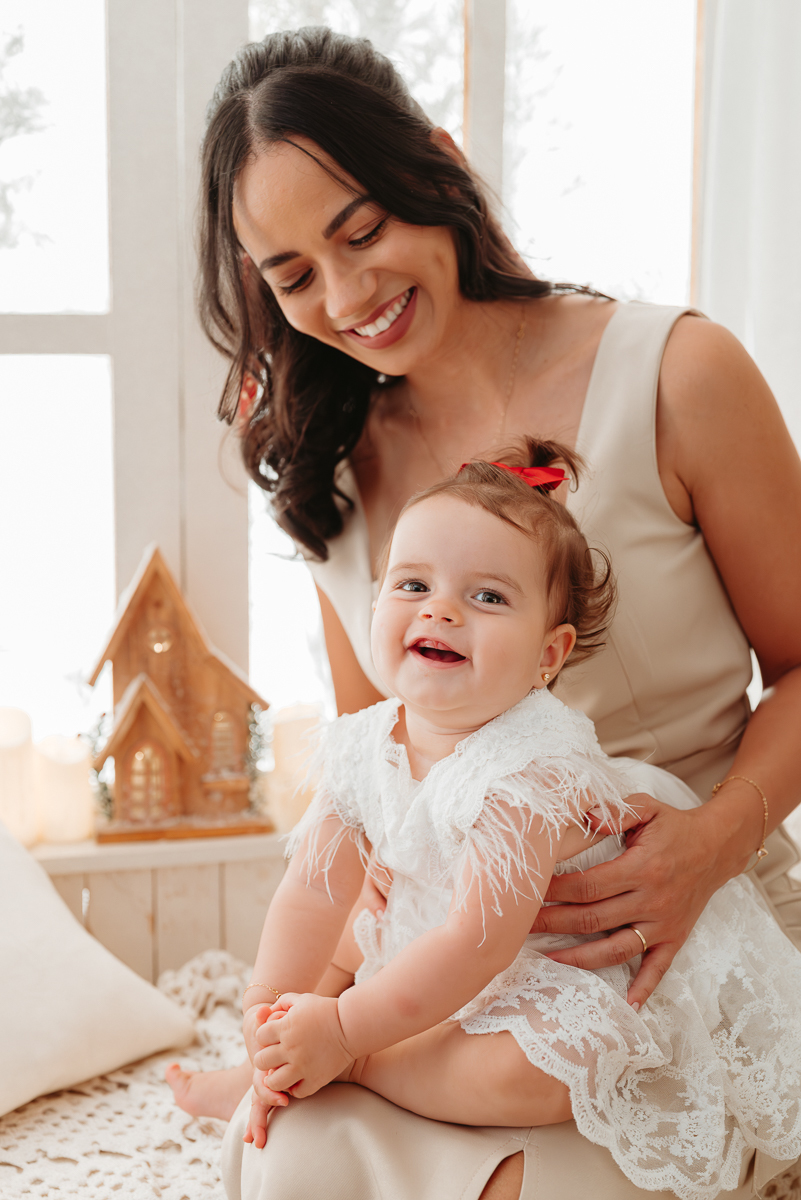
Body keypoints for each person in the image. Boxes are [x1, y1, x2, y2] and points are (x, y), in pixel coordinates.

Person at [179, 24, 801, 1200]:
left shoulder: (676, 373)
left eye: (363, 230)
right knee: (292, 1155)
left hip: (675, 945)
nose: (346, 295)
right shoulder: (334, 478)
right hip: (450, 965)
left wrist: (709, 846)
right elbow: (380, 772)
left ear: (442, 168)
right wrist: (333, 993)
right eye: (294, 276)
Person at [232, 445, 801, 1200]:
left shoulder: (528, 768)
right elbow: (312, 890)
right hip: (442, 952)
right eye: (413, 584)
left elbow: (477, 942)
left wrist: (344, 1036)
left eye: (488, 597)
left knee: (551, 1070)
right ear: (375, 606)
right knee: (343, 945)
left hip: (562, 961)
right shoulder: (362, 742)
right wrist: (263, 1011)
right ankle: (269, 1064)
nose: (439, 610)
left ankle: (364, 1065)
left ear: (547, 655)